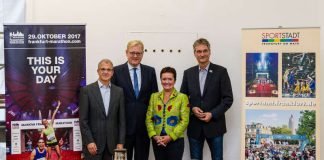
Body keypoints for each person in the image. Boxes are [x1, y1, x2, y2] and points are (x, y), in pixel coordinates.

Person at [180, 38, 233, 160]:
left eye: (205, 51)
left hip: (215, 125)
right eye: (198, 51)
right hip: (194, 126)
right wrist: (192, 108)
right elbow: (182, 98)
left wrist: (212, 114)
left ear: (210, 52)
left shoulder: (221, 72)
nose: (202, 54)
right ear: (194, 53)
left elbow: (228, 99)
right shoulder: (188, 73)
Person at [112, 40, 158, 160]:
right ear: (126, 53)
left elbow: (154, 99)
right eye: (132, 52)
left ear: (142, 54)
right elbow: (112, 101)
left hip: (144, 128)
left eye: (138, 53)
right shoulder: (116, 71)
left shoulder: (150, 71)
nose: (135, 56)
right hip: (123, 129)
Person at [79, 59, 125, 160]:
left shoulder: (119, 92)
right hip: (93, 146)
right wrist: (89, 141)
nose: (106, 72)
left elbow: (122, 120)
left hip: (112, 146)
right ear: (98, 71)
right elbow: (83, 120)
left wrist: (120, 142)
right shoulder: (86, 91)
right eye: (103, 69)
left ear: (112, 72)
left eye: (109, 69)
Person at [146, 67, 189, 160]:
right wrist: (154, 135)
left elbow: (184, 121)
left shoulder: (182, 97)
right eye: (164, 79)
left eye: (170, 79)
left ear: (175, 80)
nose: (167, 82)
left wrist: (170, 137)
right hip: (158, 140)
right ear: (160, 80)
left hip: (175, 141)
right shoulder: (154, 96)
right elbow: (149, 118)